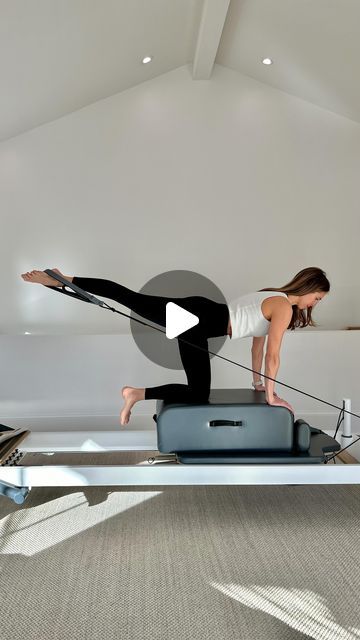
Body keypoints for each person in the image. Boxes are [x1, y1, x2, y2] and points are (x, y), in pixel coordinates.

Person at [21, 266, 330, 425]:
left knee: (130, 298)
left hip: (198, 319)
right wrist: (273, 397)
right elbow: (274, 354)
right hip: (198, 318)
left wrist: (258, 383)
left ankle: (135, 394)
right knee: (129, 297)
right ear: (310, 288)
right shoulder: (285, 307)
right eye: (317, 298)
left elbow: (258, 349)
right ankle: (62, 278)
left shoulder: (272, 296)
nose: (314, 304)